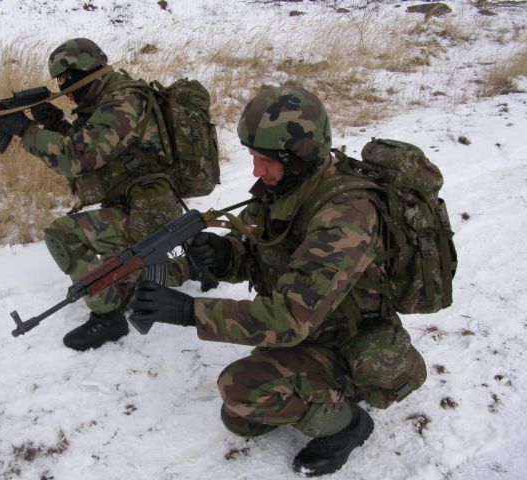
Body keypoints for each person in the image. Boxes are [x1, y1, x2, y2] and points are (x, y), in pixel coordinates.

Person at [131, 85, 427, 476]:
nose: (257, 171)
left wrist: (190, 312)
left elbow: (289, 318)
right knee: (239, 419)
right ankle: (317, 396)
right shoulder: (285, 187)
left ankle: (350, 424)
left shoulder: (345, 215)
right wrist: (225, 256)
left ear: (300, 157)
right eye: (253, 157)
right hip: (313, 325)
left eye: (266, 160)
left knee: (240, 389)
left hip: (347, 340)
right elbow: (261, 249)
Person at [0, 38, 186, 351]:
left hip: (146, 214)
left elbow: (77, 159)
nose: (65, 92)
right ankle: (191, 266)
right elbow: (94, 145)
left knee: (63, 235)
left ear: (82, 72)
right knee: (124, 282)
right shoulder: (110, 97)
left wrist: (27, 131)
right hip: (141, 205)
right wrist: (54, 122)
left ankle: (107, 319)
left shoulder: (123, 101)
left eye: (65, 82)